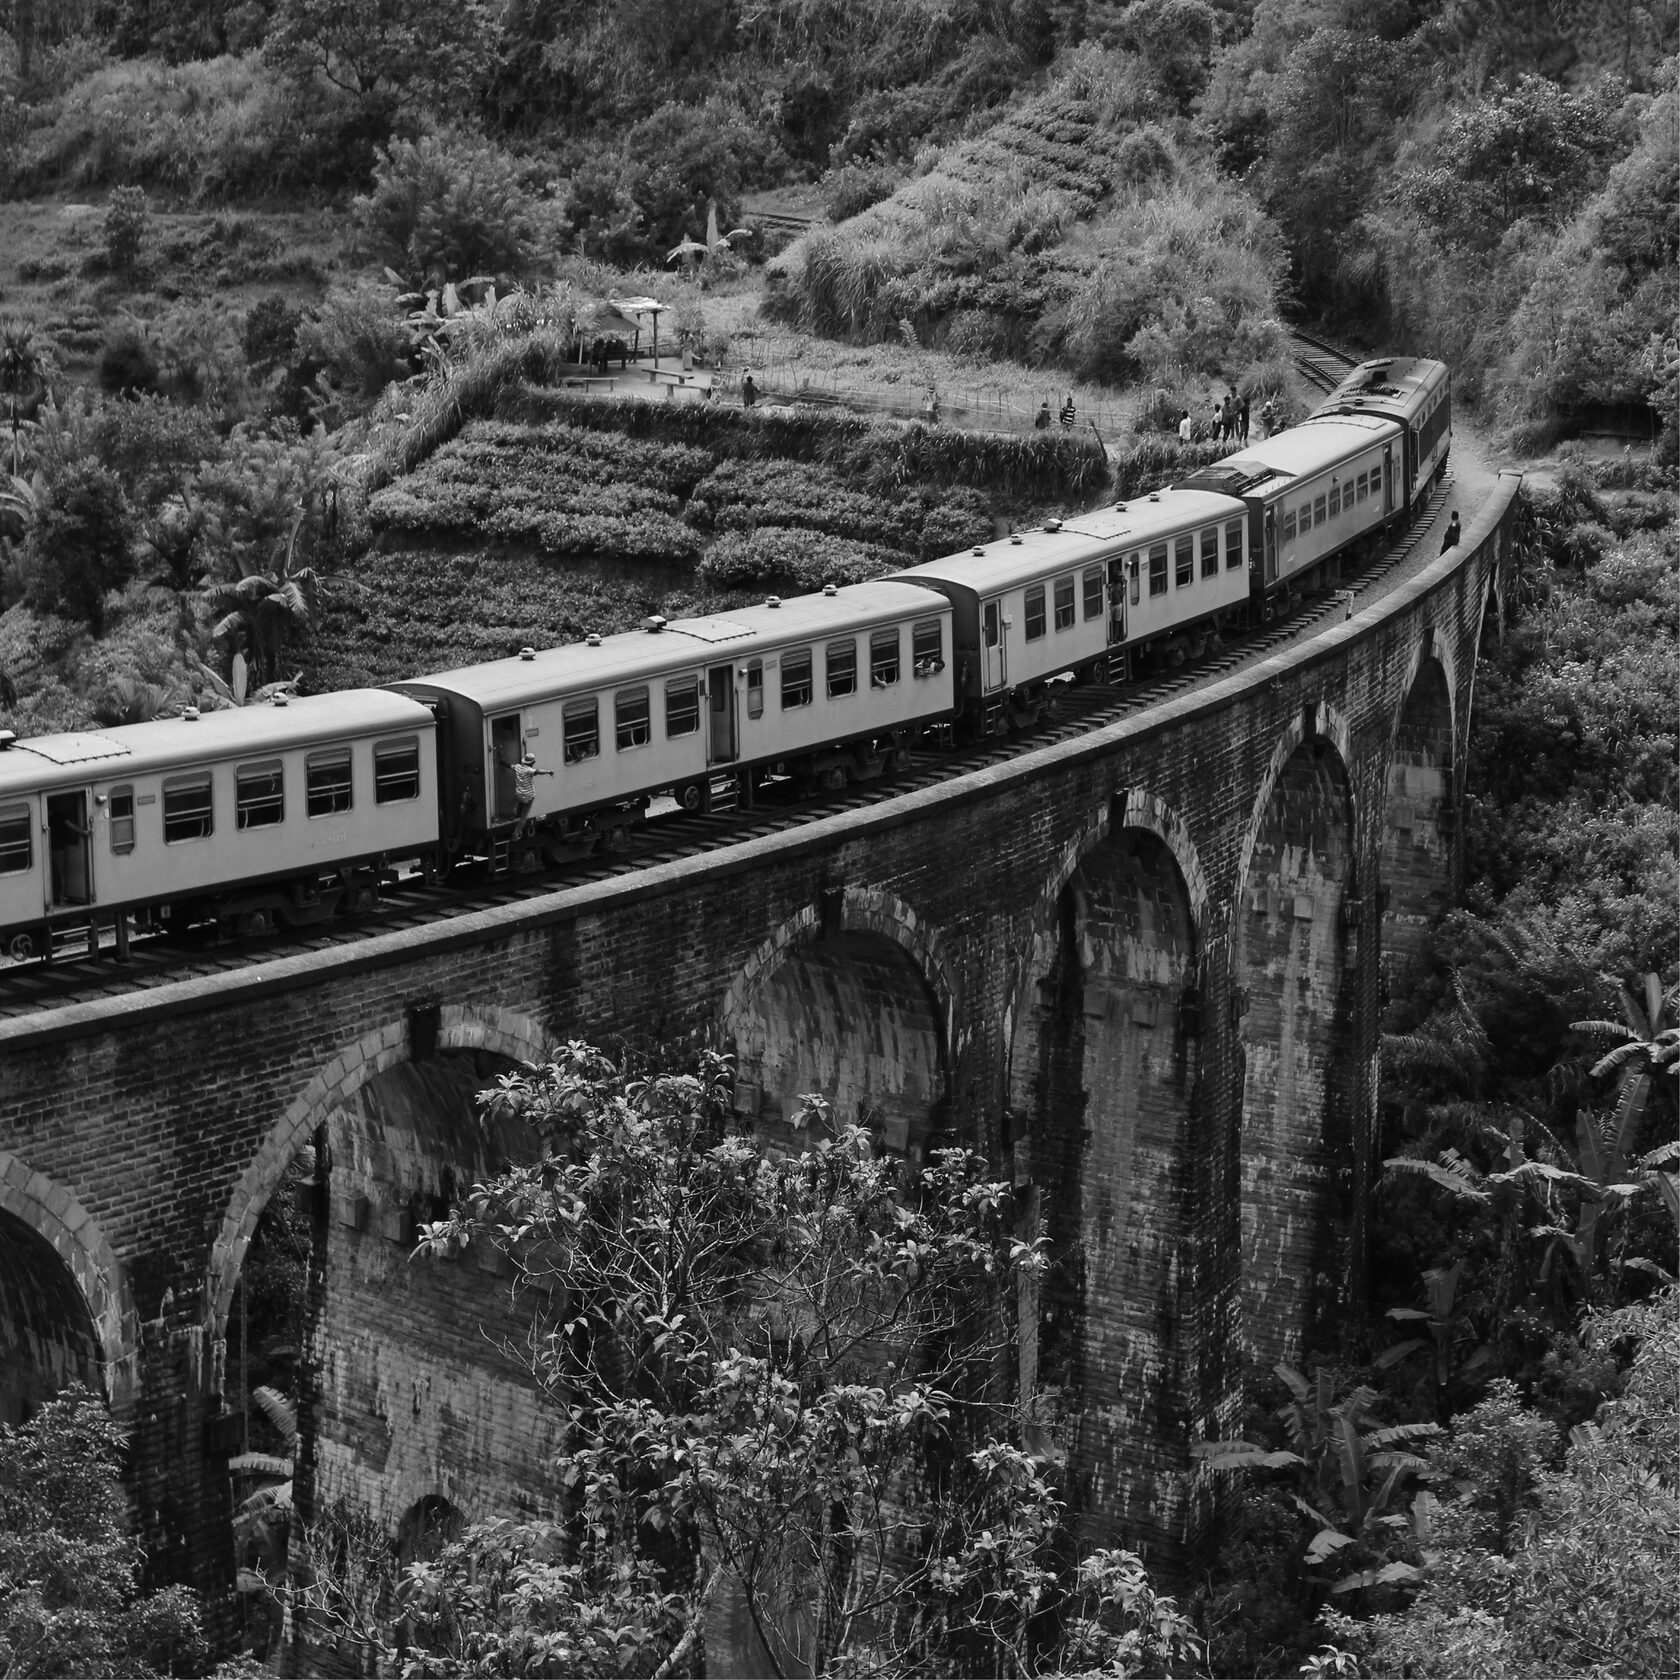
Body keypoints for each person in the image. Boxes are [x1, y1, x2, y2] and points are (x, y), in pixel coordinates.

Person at [501, 750, 554, 840]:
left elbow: (509, 765)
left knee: (518, 800)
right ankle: (515, 835)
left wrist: (500, 761)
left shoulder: (518, 767)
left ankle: (512, 815)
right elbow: (538, 771)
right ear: (532, 763)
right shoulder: (529, 770)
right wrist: (548, 772)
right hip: (529, 796)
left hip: (519, 794)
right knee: (524, 816)